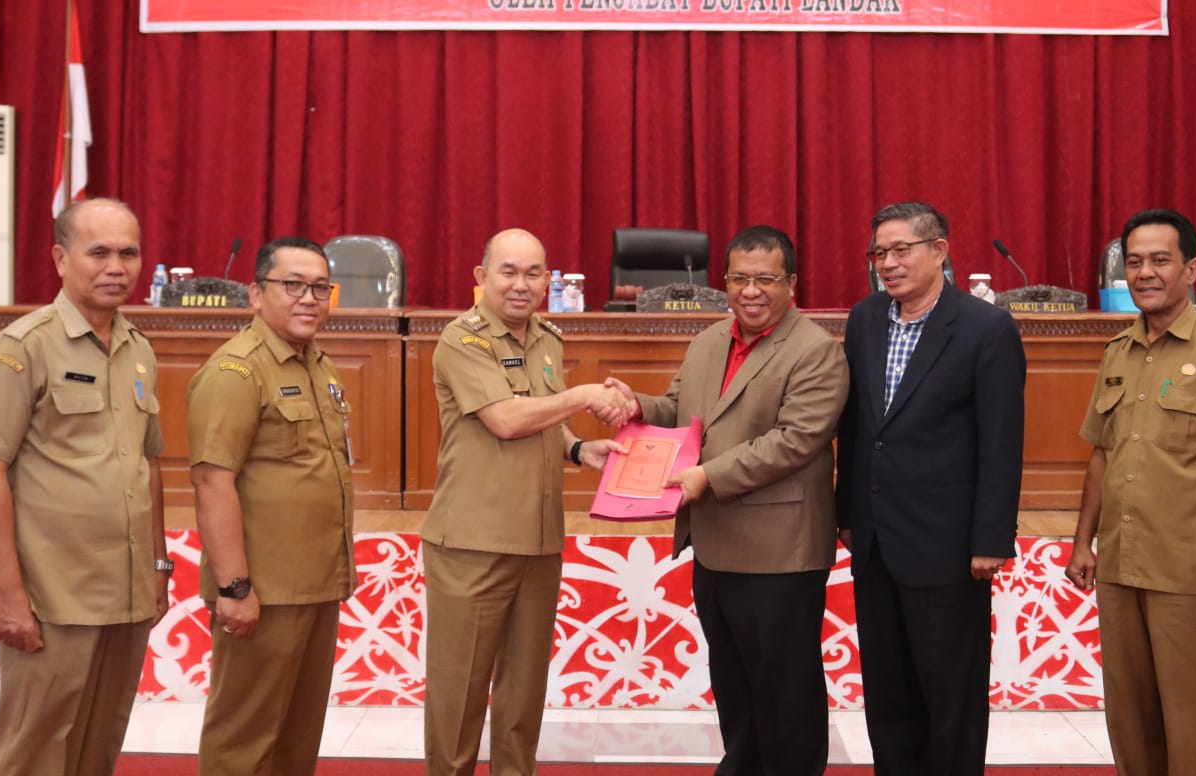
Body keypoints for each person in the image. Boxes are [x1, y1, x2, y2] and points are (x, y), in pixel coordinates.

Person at [605, 225, 849, 775]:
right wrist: (636, 406)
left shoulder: (816, 352)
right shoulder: (710, 341)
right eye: (739, 278)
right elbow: (681, 410)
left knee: (785, 693)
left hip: (779, 553)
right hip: (715, 545)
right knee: (736, 685)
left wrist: (706, 477)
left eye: (766, 279)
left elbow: (793, 442)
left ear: (791, 283)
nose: (751, 291)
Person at [1064, 208, 1196, 775]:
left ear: (1192, 269)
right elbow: (1102, 452)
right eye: (1135, 262)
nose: (1145, 273)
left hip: (1192, 572)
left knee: (1194, 721)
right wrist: (1083, 541)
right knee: (1131, 721)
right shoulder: (1118, 350)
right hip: (1120, 565)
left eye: (1160, 260)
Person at [0, 198, 168, 776]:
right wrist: (9, 594)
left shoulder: (138, 348)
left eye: (129, 253)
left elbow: (149, 462)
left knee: (99, 742)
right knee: (35, 750)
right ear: (60, 258)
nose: (116, 267)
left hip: (126, 589)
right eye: (98, 252)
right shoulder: (22, 347)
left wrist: (158, 567)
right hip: (54, 595)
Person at [422, 228, 626, 776]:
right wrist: (582, 396)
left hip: (537, 540)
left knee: (522, 695)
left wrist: (578, 449)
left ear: (548, 281)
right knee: (459, 696)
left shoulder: (546, 337)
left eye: (534, 273)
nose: (521, 284)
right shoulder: (462, 340)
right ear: (481, 277)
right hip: (473, 542)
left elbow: (541, 417)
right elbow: (506, 419)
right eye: (508, 271)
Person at [834, 201, 1026, 775]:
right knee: (887, 695)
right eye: (879, 253)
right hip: (874, 541)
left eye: (901, 250)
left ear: (939, 251)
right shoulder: (865, 318)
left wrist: (991, 539)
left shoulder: (986, 328)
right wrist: (847, 515)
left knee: (950, 698)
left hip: (948, 547)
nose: (887, 263)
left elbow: (1001, 441)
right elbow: (857, 427)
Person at [188, 237, 357, 775]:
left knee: (295, 737)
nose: (309, 298)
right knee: (244, 738)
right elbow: (212, 482)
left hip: (315, 584)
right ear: (257, 295)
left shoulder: (317, 365)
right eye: (292, 285)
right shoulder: (236, 371)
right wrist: (235, 588)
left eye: (320, 288)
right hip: (263, 591)